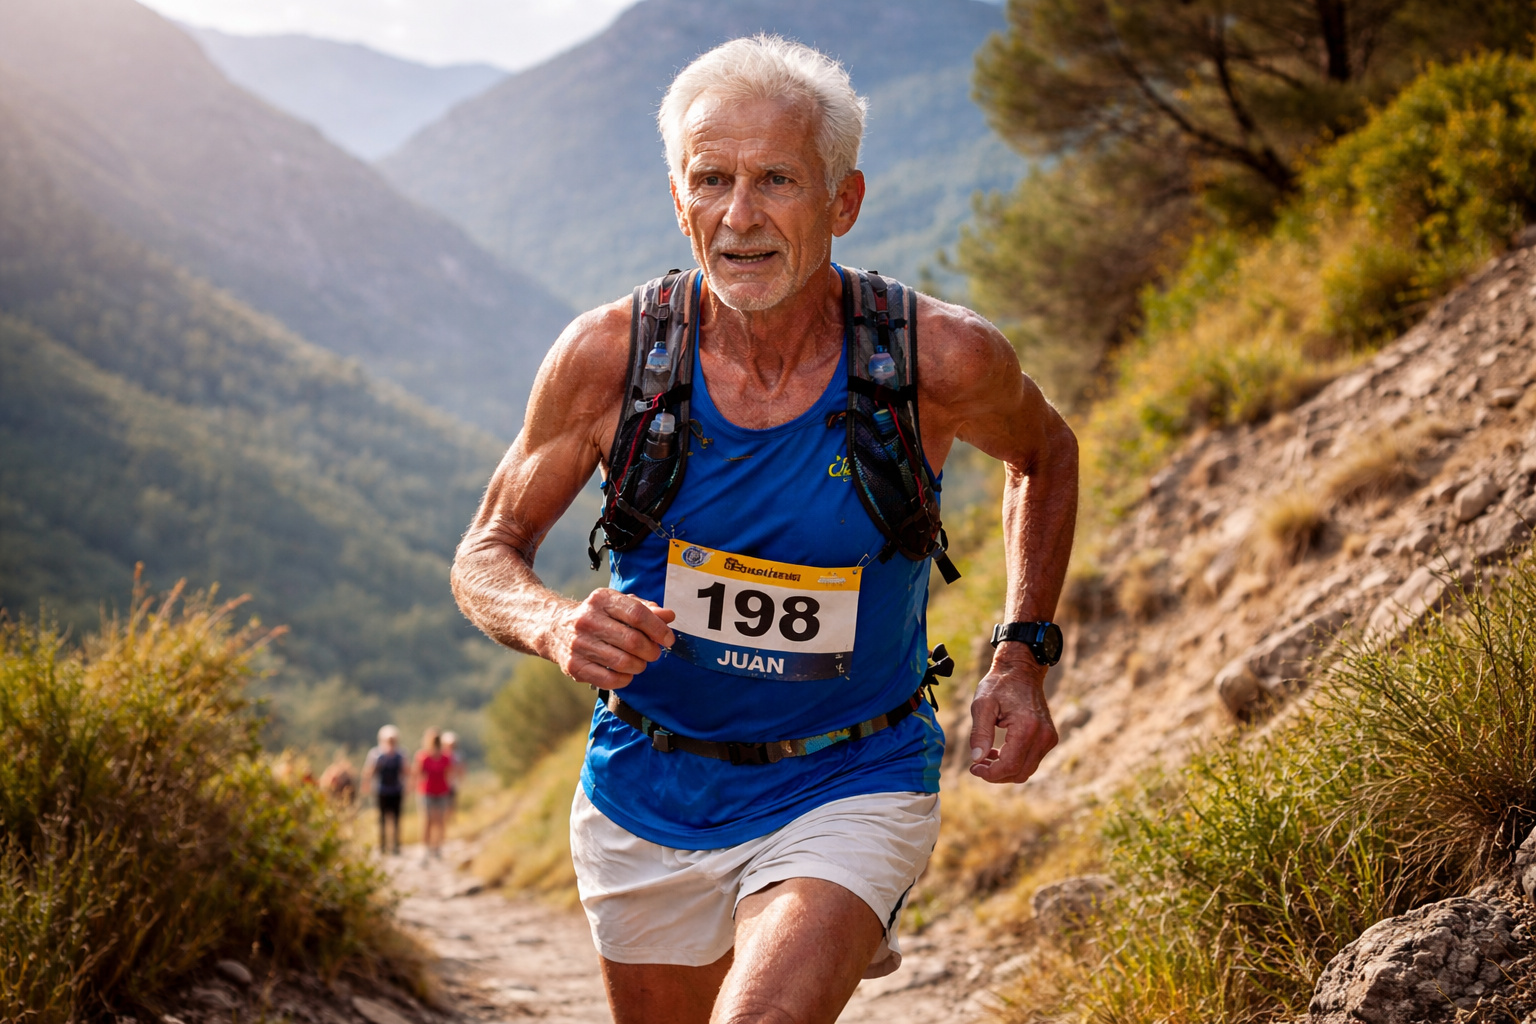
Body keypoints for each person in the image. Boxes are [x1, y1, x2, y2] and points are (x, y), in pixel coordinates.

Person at [451, 35, 1077, 1024]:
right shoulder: (610, 359)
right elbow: (487, 551)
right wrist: (551, 623)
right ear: (677, 198)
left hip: (854, 772)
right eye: (712, 180)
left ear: (844, 201)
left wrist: (1022, 651)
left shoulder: (936, 360)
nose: (738, 218)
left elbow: (1045, 455)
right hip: (647, 788)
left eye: (777, 180)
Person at [362, 725, 406, 855]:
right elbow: (369, 772)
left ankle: (396, 845)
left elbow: (405, 771)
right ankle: (382, 845)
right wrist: (366, 784)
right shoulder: (376, 754)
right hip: (382, 790)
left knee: (396, 819)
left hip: (396, 790)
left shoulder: (400, 754)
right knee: (382, 819)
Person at [415, 728, 454, 859]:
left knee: (440, 821)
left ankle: (437, 847)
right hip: (427, 791)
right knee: (427, 820)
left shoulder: (446, 757)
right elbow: (418, 774)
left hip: (442, 791)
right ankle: (426, 847)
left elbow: (449, 774)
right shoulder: (423, 756)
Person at [440, 730, 464, 823]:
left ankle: (451, 820)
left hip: (453, 782)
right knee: (444, 803)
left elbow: (461, 768)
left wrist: (461, 779)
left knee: (452, 802)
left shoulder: (457, 755)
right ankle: (444, 820)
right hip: (442, 783)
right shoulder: (442, 754)